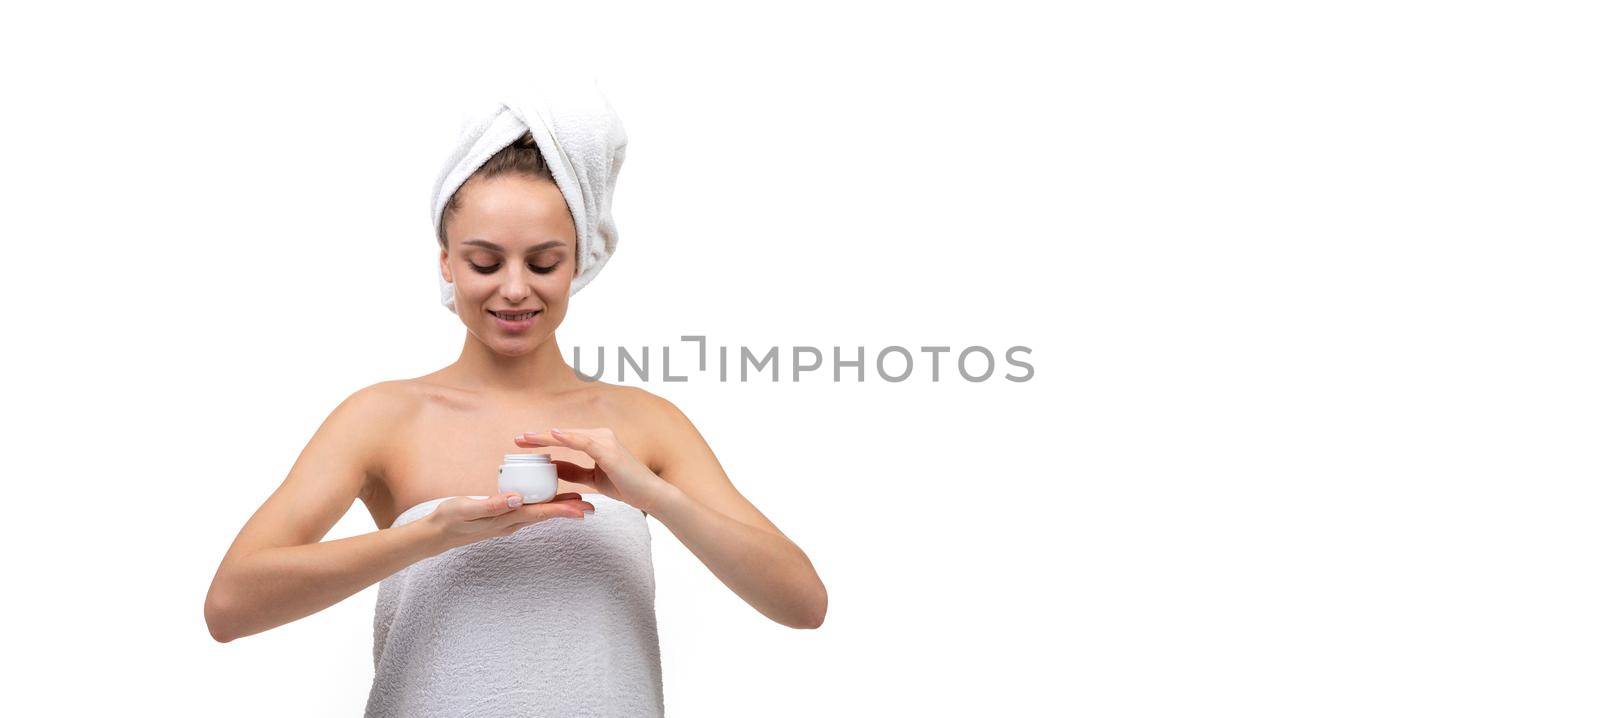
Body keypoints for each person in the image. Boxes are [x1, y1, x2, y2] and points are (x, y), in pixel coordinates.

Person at [203, 89, 827, 716]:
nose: (514, 288)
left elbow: (803, 603)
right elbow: (230, 606)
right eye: (484, 261)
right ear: (446, 263)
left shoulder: (643, 424)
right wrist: (430, 535)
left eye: (543, 262)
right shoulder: (382, 419)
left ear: (579, 262)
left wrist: (658, 498)